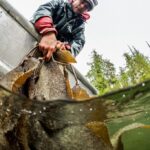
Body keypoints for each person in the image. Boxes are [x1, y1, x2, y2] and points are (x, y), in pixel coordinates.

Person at [31, 0, 98, 61]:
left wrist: (64, 49)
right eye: (82, 1)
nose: (82, 6)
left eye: (86, 6)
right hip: (31, 38)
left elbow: (79, 43)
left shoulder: (80, 26)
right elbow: (43, 11)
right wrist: (48, 33)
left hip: (50, 55)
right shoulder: (59, 3)